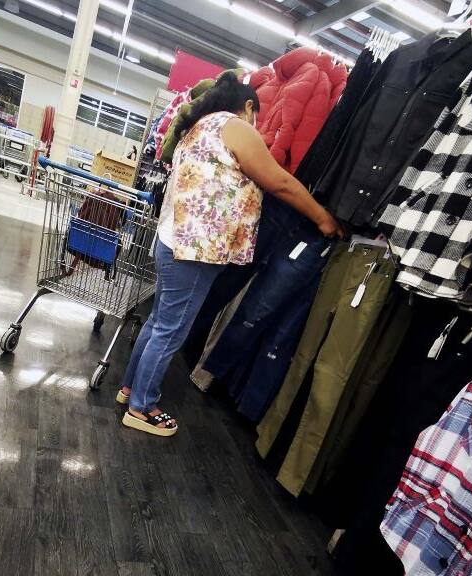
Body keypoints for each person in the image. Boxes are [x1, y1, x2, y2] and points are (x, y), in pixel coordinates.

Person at [118, 72, 344, 437]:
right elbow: (280, 182)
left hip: (175, 240)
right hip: (195, 250)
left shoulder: (199, 126)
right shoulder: (234, 127)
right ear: (249, 106)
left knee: (160, 323)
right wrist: (322, 217)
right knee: (170, 331)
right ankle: (141, 408)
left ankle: (130, 389)